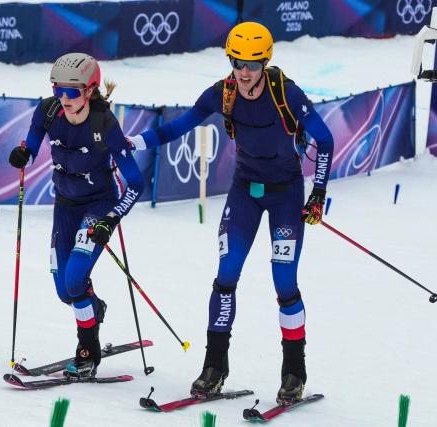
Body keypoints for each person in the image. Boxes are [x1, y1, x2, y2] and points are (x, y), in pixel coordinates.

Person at [128, 22, 334, 404]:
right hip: (244, 193)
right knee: (226, 275)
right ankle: (214, 367)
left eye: (252, 64)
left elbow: (324, 139)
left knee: (284, 283)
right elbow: (180, 125)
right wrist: (136, 141)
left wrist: (318, 191)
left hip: (286, 195)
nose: (243, 71)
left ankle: (294, 373)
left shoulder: (285, 92)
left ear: (265, 61)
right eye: (236, 61)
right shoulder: (222, 93)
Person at [8, 53, 144, 378]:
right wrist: (23, 152)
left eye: (72, 92)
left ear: (90, 90)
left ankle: (87, 350)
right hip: (65, 204)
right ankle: (93, 308)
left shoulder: (104, 124)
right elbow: (32, 140)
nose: (64, 99)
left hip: (98, 206)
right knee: (64, 290)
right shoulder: (48, 110)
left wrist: (109, 220)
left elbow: (136, 184)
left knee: (74, 278)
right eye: (59, 90)